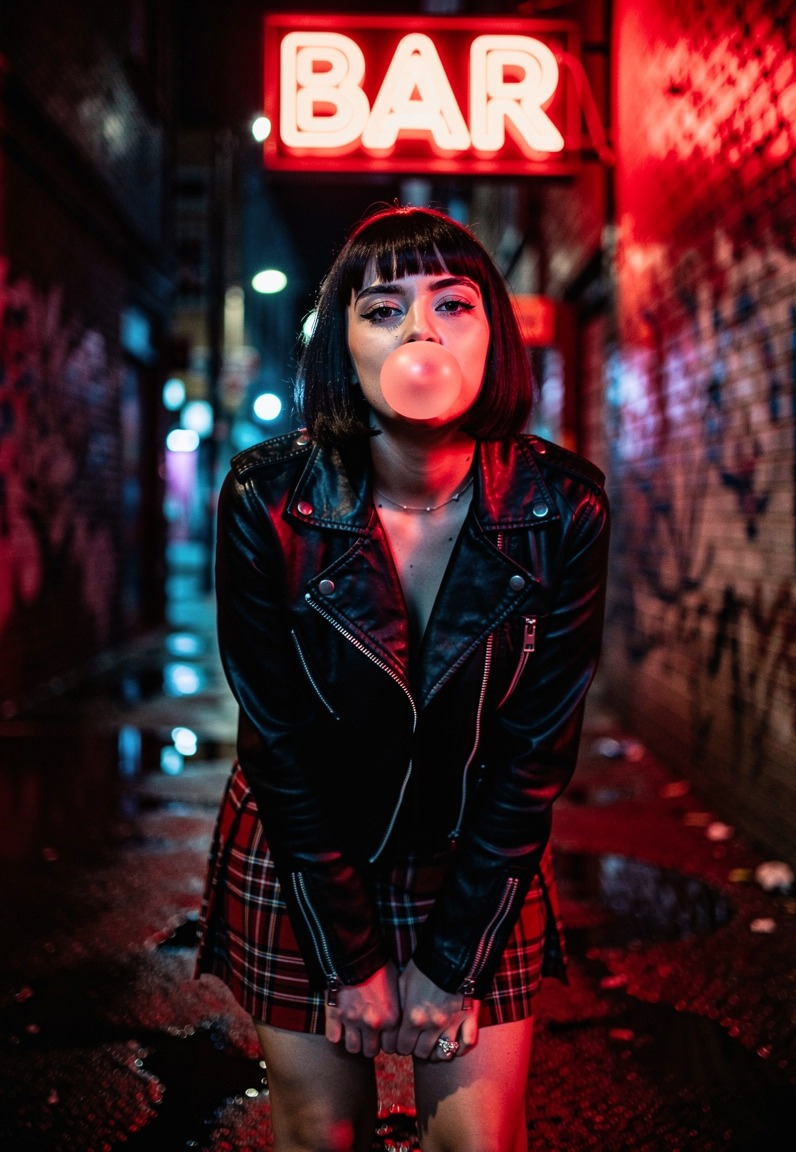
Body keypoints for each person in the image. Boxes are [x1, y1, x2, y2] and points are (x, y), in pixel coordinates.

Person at [195, 205, 610, 1152]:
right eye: (384, 310)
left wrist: (454, 961)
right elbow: (280, 741)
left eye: (453, 304)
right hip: (308, 848)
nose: (422, 333)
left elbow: (535, 751)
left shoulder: (563, 506)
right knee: (318, 1131)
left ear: (493, 335)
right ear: (343, 347)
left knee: (480, 1140)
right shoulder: (268, 499)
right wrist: (350, 958)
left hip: (477, 850)